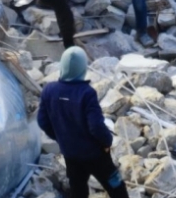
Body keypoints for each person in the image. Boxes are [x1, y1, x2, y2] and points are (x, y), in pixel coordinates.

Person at [37, 46, 129, 198]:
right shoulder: (87, 93)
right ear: (82, 68)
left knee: (78, 190)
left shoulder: (49, 90)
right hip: (96, 154)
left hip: (70, 154)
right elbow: (96, 126)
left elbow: (42, 121)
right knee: (116, 185)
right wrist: (107, 141)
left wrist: (60, 138)